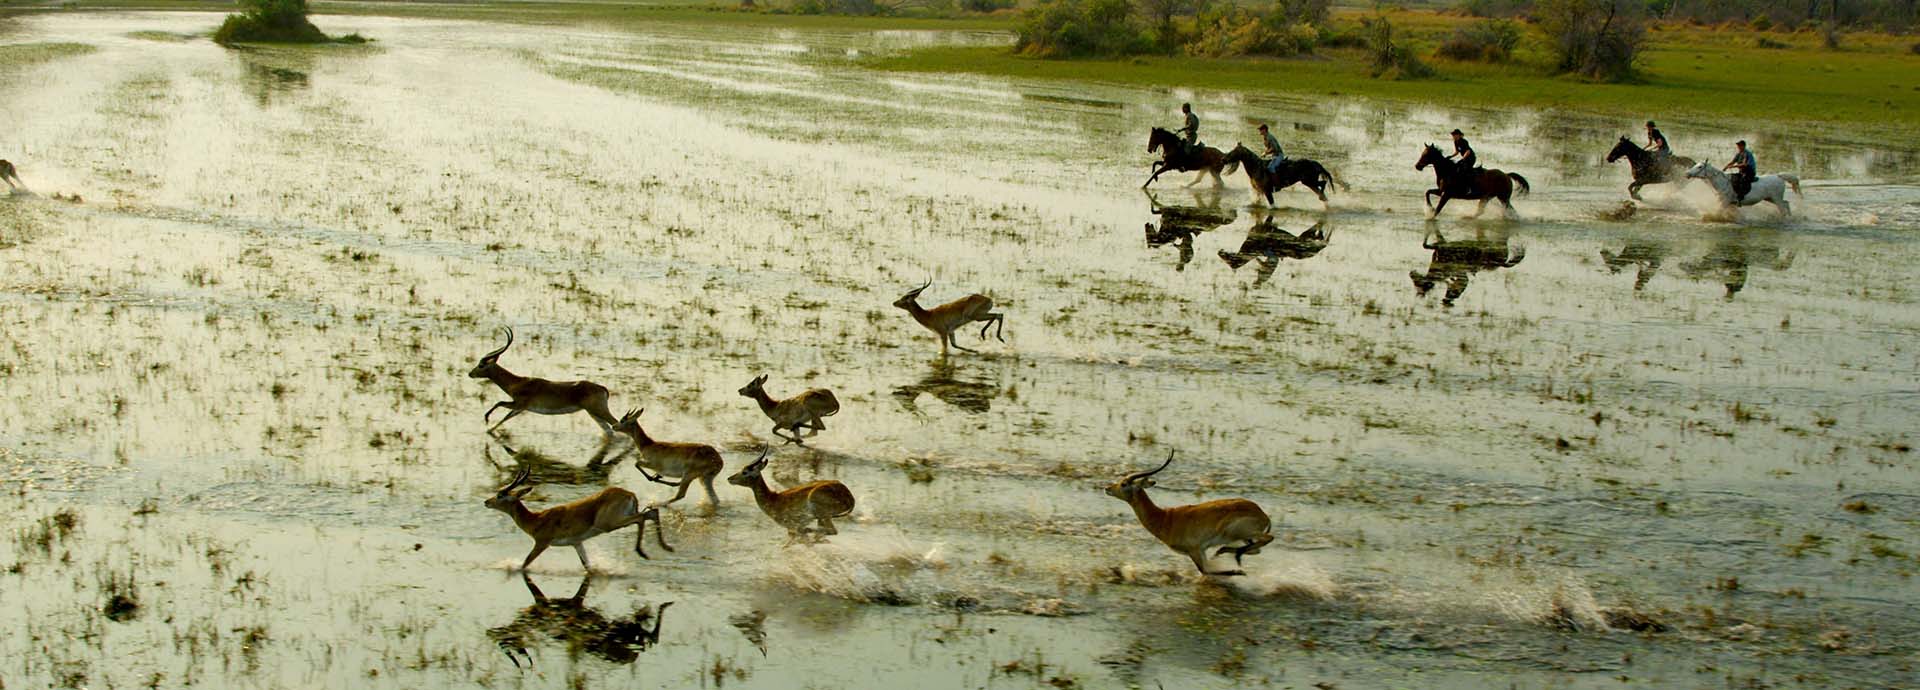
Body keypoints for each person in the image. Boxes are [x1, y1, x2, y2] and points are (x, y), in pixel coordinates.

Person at [1446, 129, 1477, 195]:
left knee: (1465, 170)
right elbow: (1457, 152)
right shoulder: (1455, 142)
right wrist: (1450, 156)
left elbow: (1468, 151)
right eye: (1453, 135)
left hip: (1471, 158)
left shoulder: (1464, 141)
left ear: (1459, 135)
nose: (1453, 136)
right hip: (1465, 158)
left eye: (1455, 135)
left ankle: (1469, 188)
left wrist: (1463, 158)